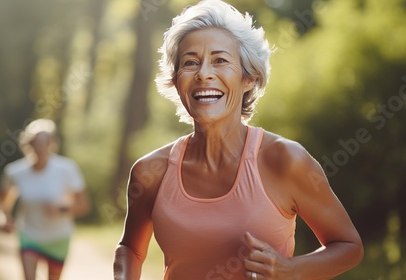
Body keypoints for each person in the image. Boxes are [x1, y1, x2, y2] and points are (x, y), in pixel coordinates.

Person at [113, 0, 363, 279]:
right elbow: (131, 249)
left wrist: (289, 270)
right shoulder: (150, 173)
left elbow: (349, 246)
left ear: (248, 78)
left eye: (220, 60)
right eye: (190, 63)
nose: (204, 73)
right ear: (175, 81)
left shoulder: (285, 161)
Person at [0, 118, 90, 280]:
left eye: (44, 143)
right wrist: (2, 219)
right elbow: (1, 205)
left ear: (52, 144)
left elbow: (84, 205)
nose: (40, 148)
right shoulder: (15, 172)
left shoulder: (67, 169)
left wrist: (60, 209)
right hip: (29, 235)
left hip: (59, 237)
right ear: (28, 144)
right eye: (36, 143)